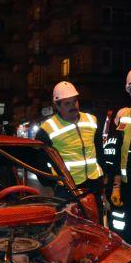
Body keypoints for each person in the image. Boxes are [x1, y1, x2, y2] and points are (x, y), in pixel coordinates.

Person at [36, 81, 106, 215]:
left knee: (95, 226)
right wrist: (52, 183)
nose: (72, 106)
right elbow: (39, 162)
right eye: (67, 103)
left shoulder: (92, 121)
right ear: (57, 106)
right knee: (70, 229)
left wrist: (103, 176)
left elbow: (99, 151)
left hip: (93, 184)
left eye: (74, 101)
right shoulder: (47, 129)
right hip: (67, 189)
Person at [106, 67, 131, 242]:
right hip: (128, 186)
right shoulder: (125, 116)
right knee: (124, 229)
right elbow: (116, 154)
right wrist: (115, 185)